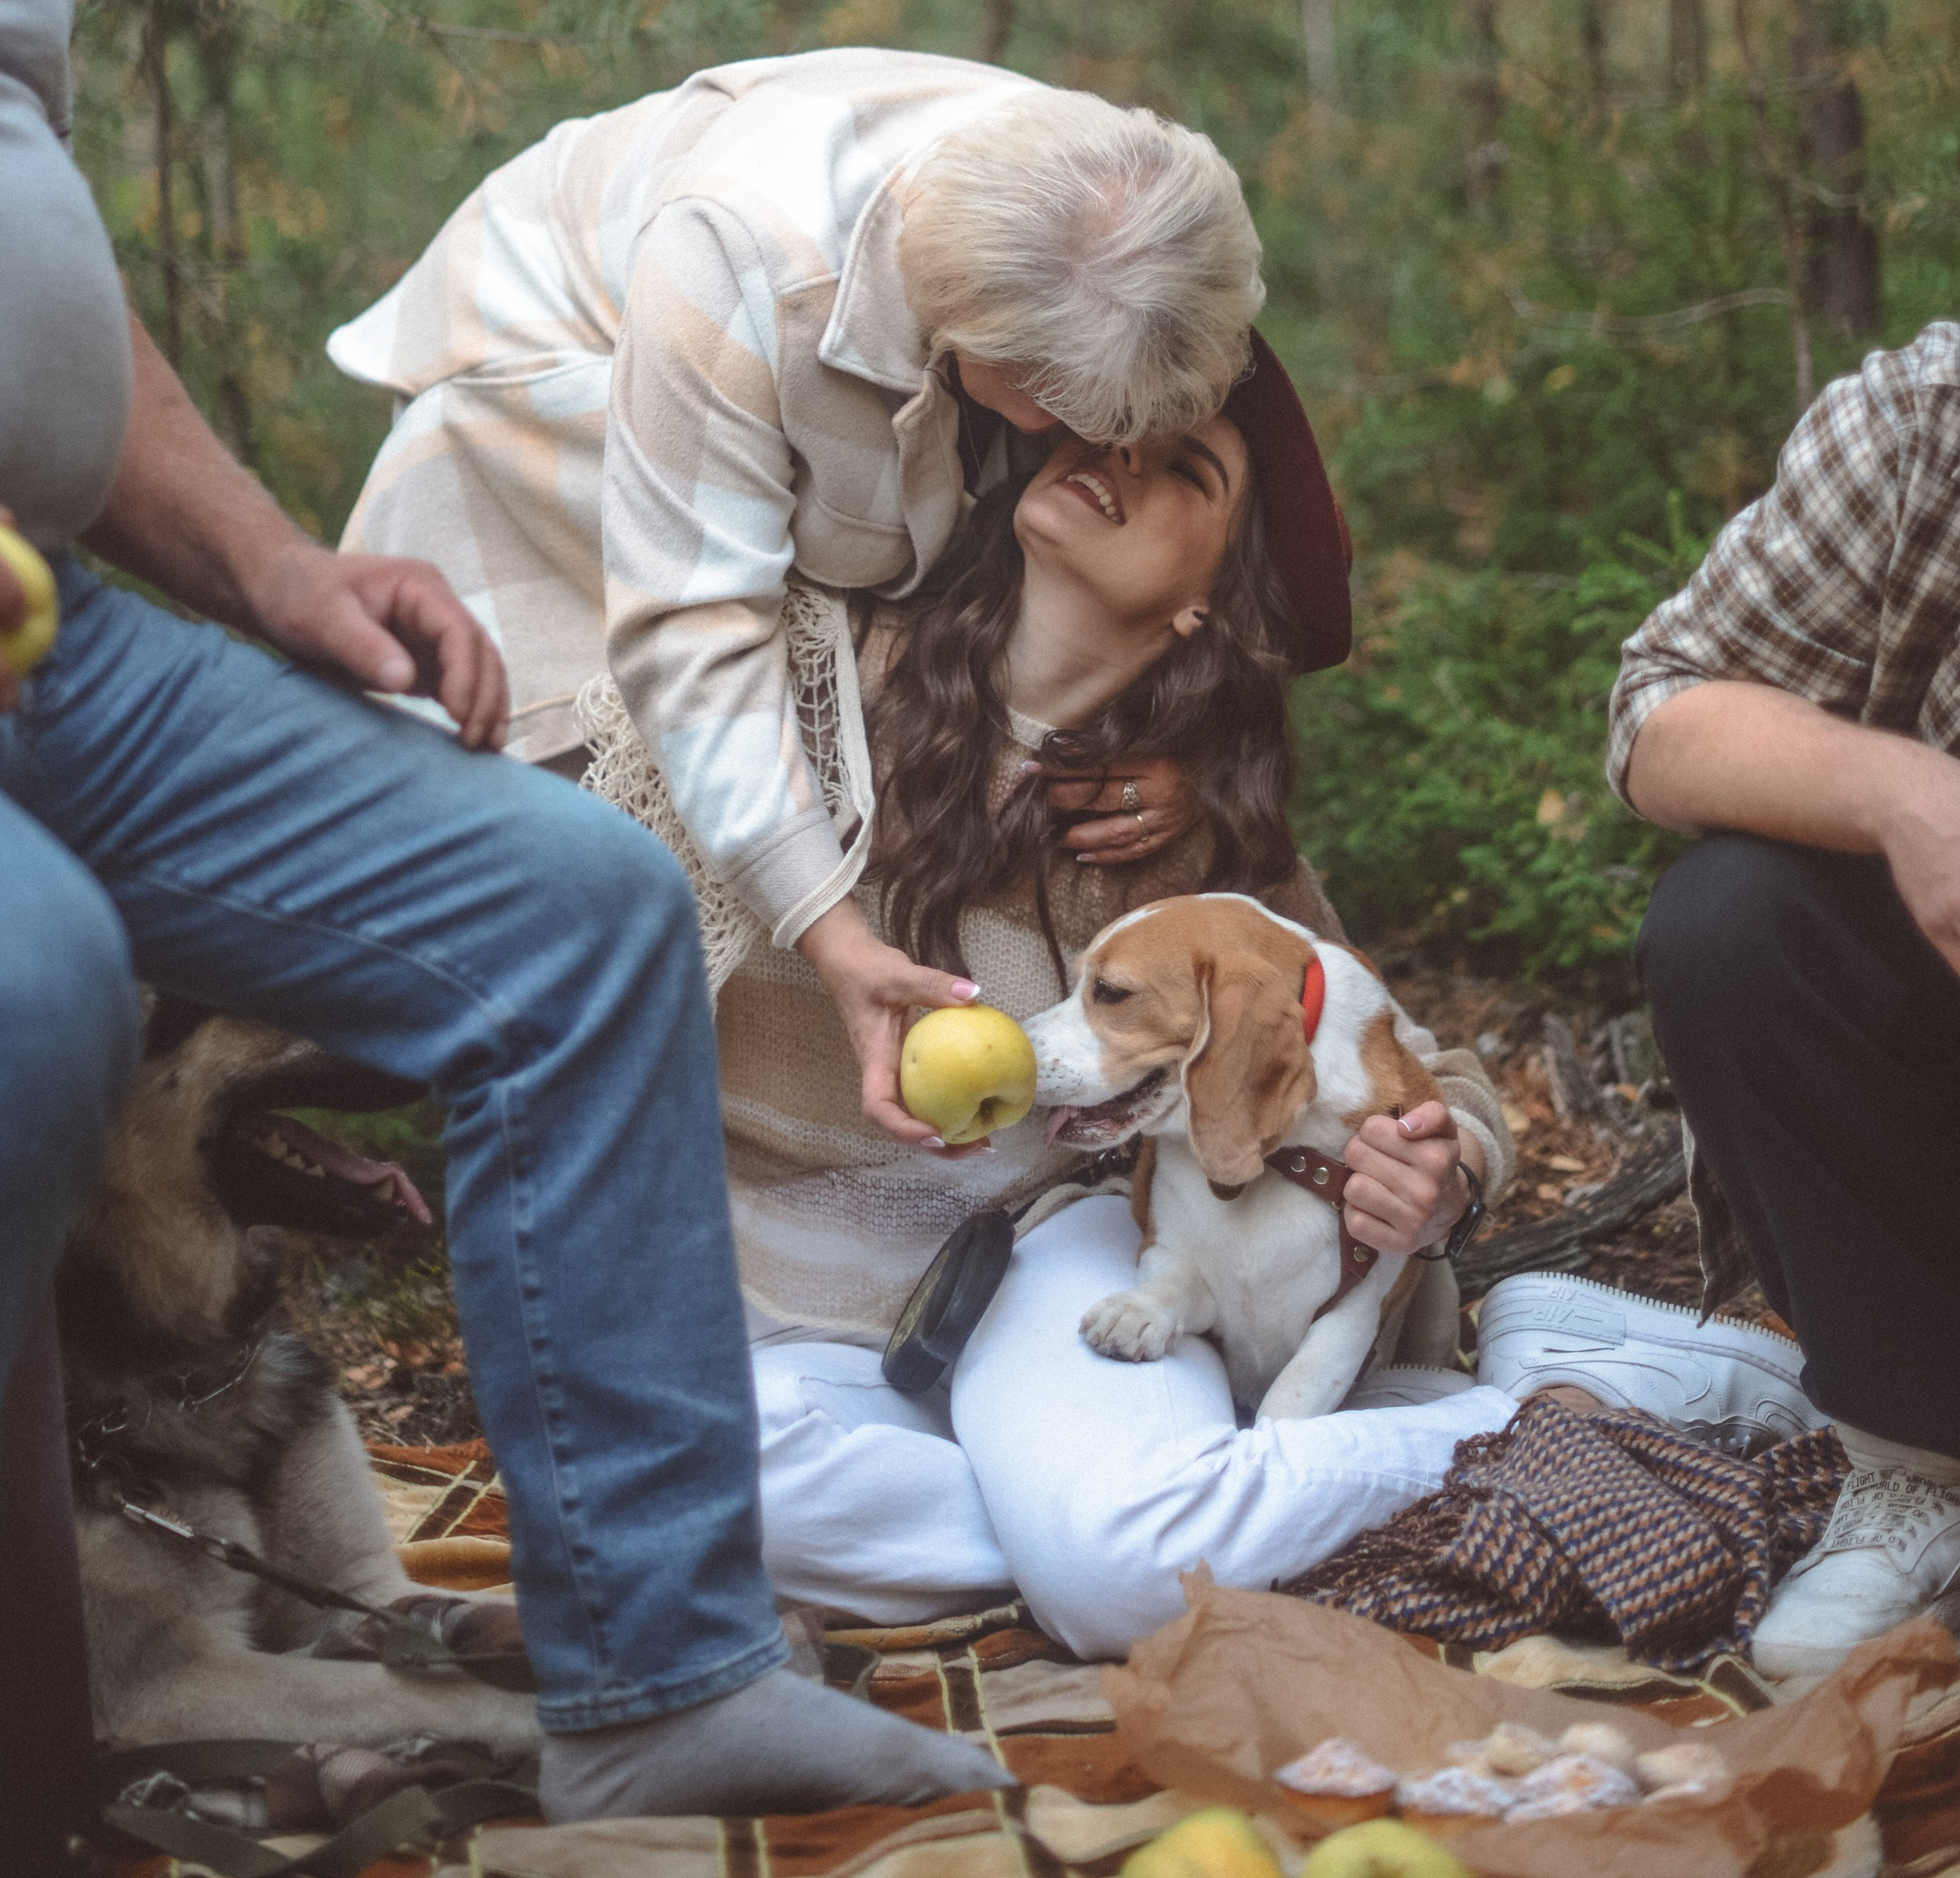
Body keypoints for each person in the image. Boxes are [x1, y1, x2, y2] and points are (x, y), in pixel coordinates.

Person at [0, 0, 1011, 1840]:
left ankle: (658, 1666)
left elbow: (29, 269)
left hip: (34, 637)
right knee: (16, 985)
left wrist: (278, 562)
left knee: (568, 900)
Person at [582, 338, 1781, 1655]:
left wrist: (1450, 1170)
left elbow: (1423, 1070)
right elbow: (586, 963)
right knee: (657, 1497)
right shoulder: (787, 694)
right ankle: (1170, 1498)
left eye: (1183, 467)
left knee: (1121, 1576)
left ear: (1210, 598)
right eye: (1101, 431)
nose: (1116, 461)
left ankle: (1551, 1408)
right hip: (800, 1324)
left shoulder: (1192, 853)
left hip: (1054, 1278)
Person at [330, 48, 1281, 1142]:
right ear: (971, 330)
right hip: (545, 393)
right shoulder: (742, 254)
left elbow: (1230, 533)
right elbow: (692, 625)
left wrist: (1187, 751)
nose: (1097, 453)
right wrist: (826, 926)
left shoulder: (1125, 212)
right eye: (1063, 411)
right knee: (575, 862)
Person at [1607, 324, 1960, 1674]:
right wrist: (1906, 794)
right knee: (1736, 918)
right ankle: (1912, 1455)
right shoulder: (1928, 421)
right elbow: (1657, 717)